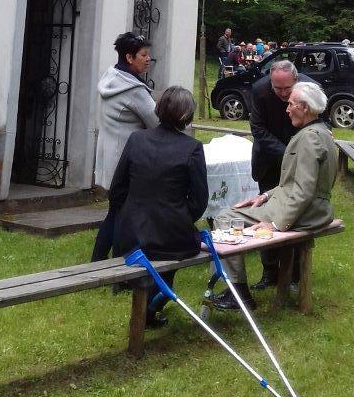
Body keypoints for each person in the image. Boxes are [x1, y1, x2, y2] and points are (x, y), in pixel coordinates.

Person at [210, 82, 338, 311]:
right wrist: (264, 196)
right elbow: (296, 183)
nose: (287, 109)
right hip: (313, 208)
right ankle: (237, 290)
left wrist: (277, 225)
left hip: (305, 213)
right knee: (238, 211)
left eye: (291, 104)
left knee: (224, 217)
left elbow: (304, 190)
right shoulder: (322, 132)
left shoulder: (309, 138)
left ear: (305, 107)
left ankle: (238, 293)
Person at [110, 86, 208, 327]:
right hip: (172, 236)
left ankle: (151, 305)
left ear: (159, 109)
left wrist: (129, 216)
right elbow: (199, 200)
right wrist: (180, 217)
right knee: (174, 256)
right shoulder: (192, 148)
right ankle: (152, 306)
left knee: (164, 256)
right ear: (187, 115)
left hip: (131, 235)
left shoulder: (137, 139)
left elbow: (117, 189)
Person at [91, 32, 159, 261]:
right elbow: (157, 122)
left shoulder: (112, 77)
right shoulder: (133, 90)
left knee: (116, 211)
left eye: (148, 54)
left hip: (111, 158)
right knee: (121, 215)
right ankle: (115, 262)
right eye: (144, 55)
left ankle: (99, 259)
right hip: (126, 163)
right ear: (129, 57)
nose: (148, 59)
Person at [249, 58, 311, 290]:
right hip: (270, 161)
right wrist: (287, 154)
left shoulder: (309, 88)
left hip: (300, 164)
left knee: (295, 217)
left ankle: (294, 275)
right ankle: (269, 272)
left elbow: (320, 122)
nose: (283, 94)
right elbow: (258, 129)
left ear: (296, 79)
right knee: (266, 216)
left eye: (288, 88)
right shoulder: (259, 90)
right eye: (278, 88)